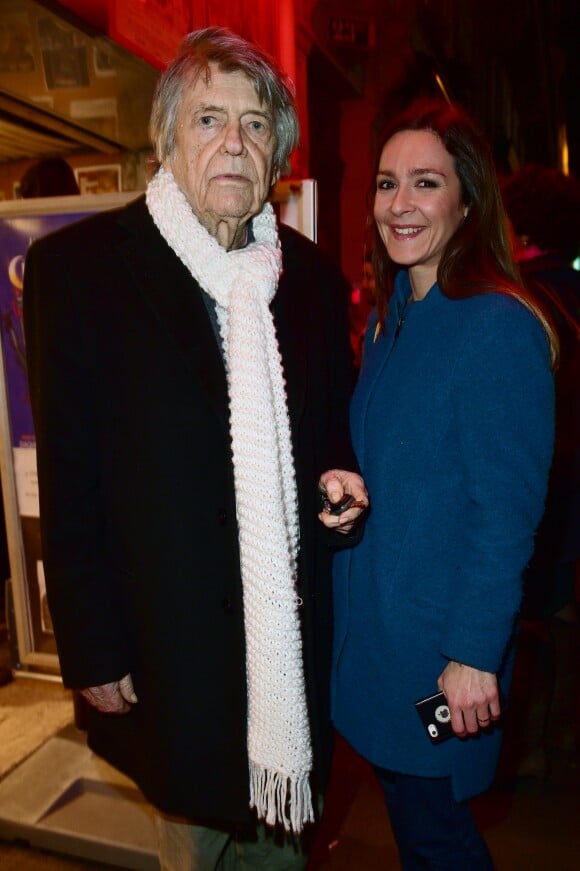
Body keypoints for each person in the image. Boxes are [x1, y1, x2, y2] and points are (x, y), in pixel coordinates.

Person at [23, 26, 367, 870]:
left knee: (281, 856)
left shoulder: (315, 284)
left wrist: (339, 490)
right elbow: (71, 484)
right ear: (167, 138)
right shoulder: (81, 272)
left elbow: (330, 440)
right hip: (166, 646)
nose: (233, 143)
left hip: (284, 649)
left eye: (256, 126)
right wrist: (92, 647)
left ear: (277, 156)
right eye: (210, 118)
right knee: (193, 845)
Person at [330, 99, 556, 869]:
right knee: (415, 816)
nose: (400, 204)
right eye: (387, 183)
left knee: (438, 833)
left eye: (425, 183)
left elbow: (506, 513)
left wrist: (471, 653)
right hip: (384, 648)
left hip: (441, 667)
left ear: (466, 198)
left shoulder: (496, 325)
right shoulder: (395, 318)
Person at [500, 163, 580, 786]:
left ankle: (522, 746)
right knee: (565, 625)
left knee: (525, 628)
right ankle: (563, 740)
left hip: (540, 494)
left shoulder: (510, 299)